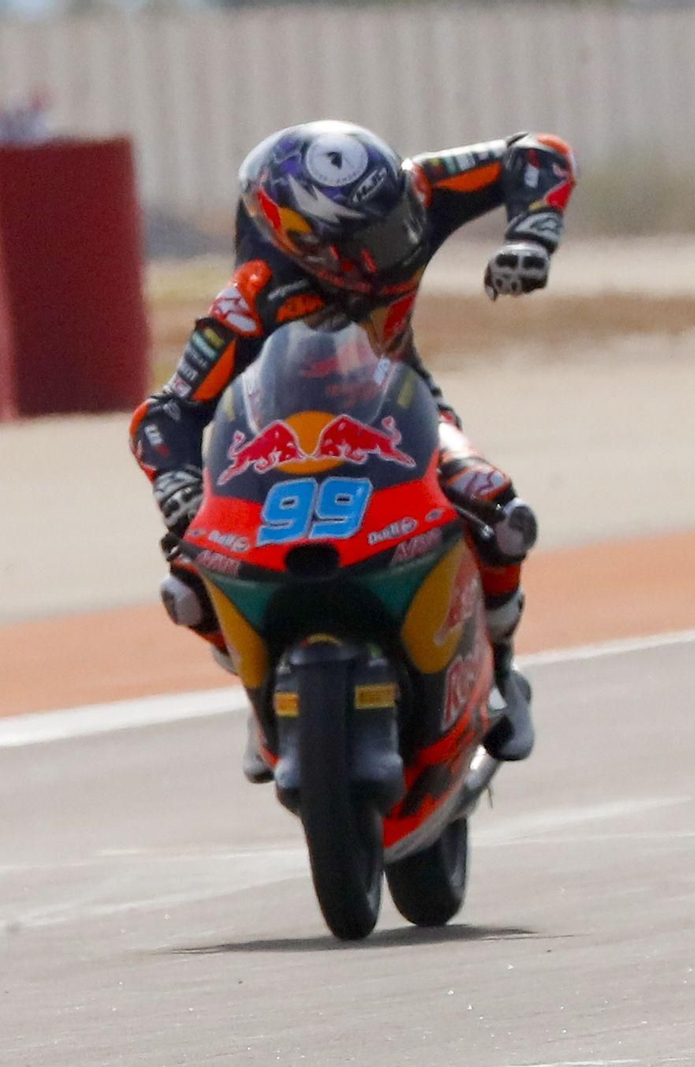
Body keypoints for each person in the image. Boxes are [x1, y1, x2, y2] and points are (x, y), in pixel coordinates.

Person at [129, 120, 576, 779]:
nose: (399, 239)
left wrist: (532, 237)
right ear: (302, 241)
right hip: (270, 432)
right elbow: (163, 414)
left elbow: (538, 153)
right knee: (189, 577)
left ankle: (504, 671)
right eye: (370, 236)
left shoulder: (416, 190)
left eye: (393, 216)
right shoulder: (251, 298)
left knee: (497, 508)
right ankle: (260, 702)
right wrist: (176, 485)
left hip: (402, 399)